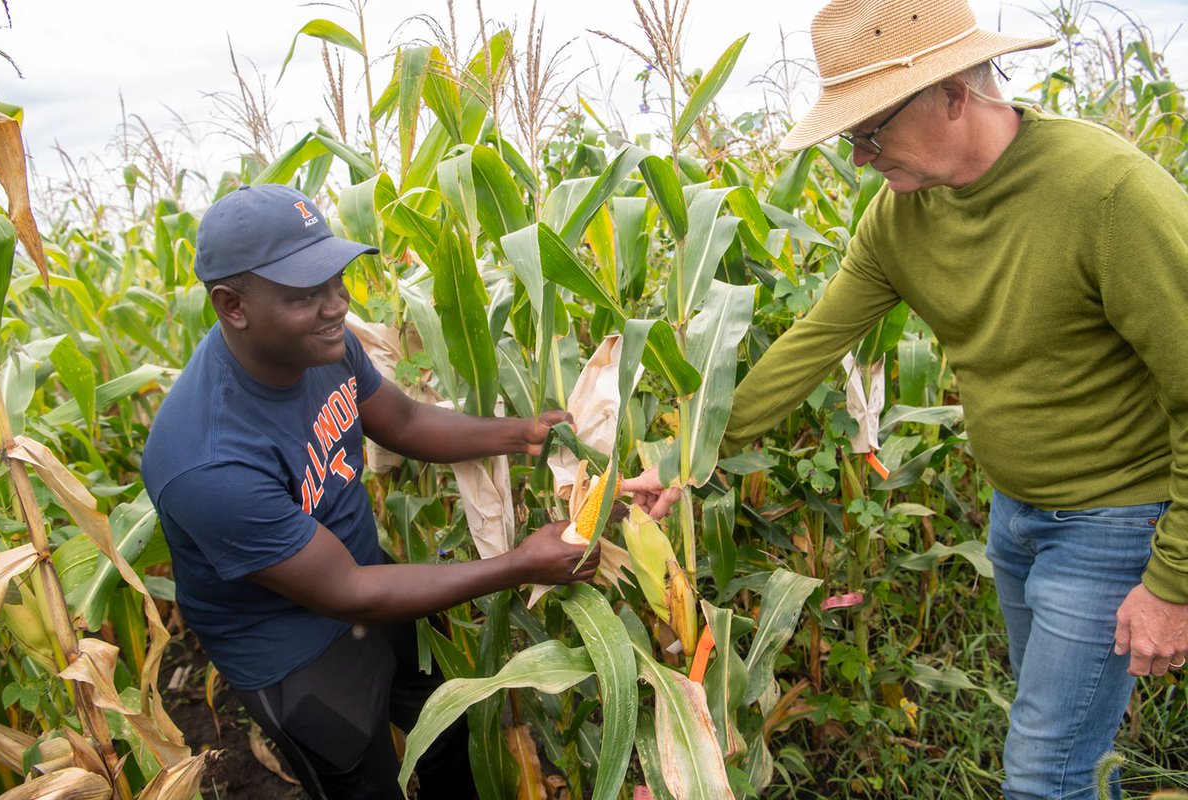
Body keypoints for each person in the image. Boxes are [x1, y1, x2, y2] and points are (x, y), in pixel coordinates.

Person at [625, 0, 1188, 797]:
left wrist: (1172, 581)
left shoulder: (1106, 195)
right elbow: (812, 345)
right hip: (1016, 517)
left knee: (1043, 770)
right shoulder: (899, 218)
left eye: (869, 132)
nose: (857, 158)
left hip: (1115, 518)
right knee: (1071, 752)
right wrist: (685, 459)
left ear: (953, 95)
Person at [142, 183, 599, 800]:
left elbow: (403, 421)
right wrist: (521, 564)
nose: (337, 306)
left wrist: (519, 434)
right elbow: (349, 593)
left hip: (371, 580)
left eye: (337, 281)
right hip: (295, 652)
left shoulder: (322, 344)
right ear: (232, 305)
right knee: (363, 780)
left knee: (446, 731)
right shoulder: (206, 462)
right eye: (307, 294)